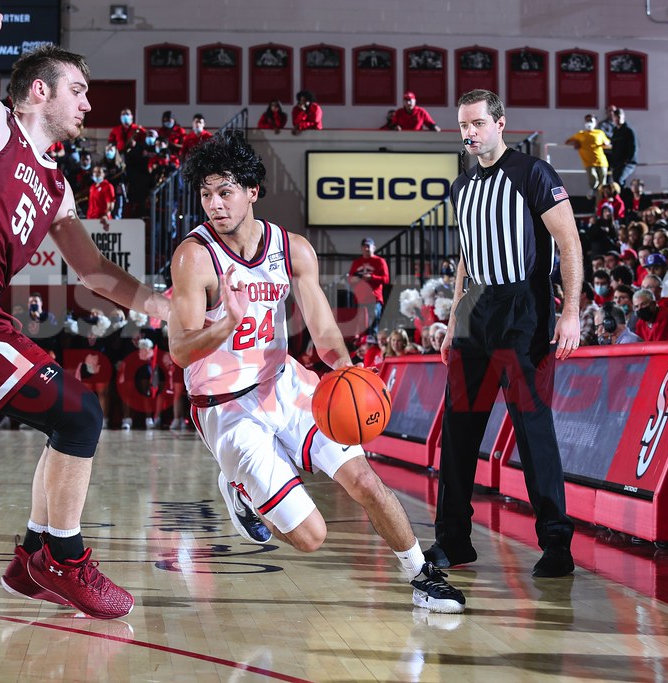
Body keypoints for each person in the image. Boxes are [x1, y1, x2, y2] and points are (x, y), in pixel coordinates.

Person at [0, 1, 170, 619]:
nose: (87, 104)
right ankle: (64, 560)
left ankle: (31, 559)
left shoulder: (56, 185)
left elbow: (94, 271)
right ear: (38, 92)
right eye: (78, 90)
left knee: (67, 421)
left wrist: (157, 303)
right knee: (82, 415)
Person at [168, 129, 465, 613]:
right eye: (205, 194)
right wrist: (227, 323)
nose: (214, 205)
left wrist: (348, 372)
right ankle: (237, 486)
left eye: (224, 192)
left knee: (365, 480)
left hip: (281, 381)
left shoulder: (294, 249)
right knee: (311, 536)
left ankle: (420, 575)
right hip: (223, 406)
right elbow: (180, 351)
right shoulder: (194, 256)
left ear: (251, 192)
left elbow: (326, 334)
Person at [432, 89, 582, 578]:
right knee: (458, 427)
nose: (469, 133)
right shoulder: (461, 187)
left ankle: (556, 542)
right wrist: (455, 313)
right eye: (463, 126)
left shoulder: (532, 173)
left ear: (500, 122)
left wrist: (571, 310)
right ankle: (453, 542)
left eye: (477, 123)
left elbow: (568, 241)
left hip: (525, 304)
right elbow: (466, 253)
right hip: (476, 305)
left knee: (531, 426)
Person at [348, 237, 390, 337]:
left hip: (374, 298)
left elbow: (386, 279)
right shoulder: (357, 262)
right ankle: (362, 348)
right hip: (360, 299)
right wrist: (355, 279)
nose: (366, 249)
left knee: (373, 326)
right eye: (364, 246)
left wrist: (372, 277)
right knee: (361, 327)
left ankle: (372, 348)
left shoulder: (380, 261)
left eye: (368, 246)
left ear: (374, 248)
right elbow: (350, 279)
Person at [565, 113, 611, 193]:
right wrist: (575, 142)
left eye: (591, 120)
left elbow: (608, 143)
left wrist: (606, 144)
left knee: (602, 186)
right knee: (593, 182)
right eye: (587, 121)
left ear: (595, 122)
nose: (589, 123)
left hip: (601, 162)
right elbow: (567, 142)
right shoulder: (580, 134)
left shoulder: (600, 133)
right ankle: (593, 195)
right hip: (588, 163)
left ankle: (600, 203)